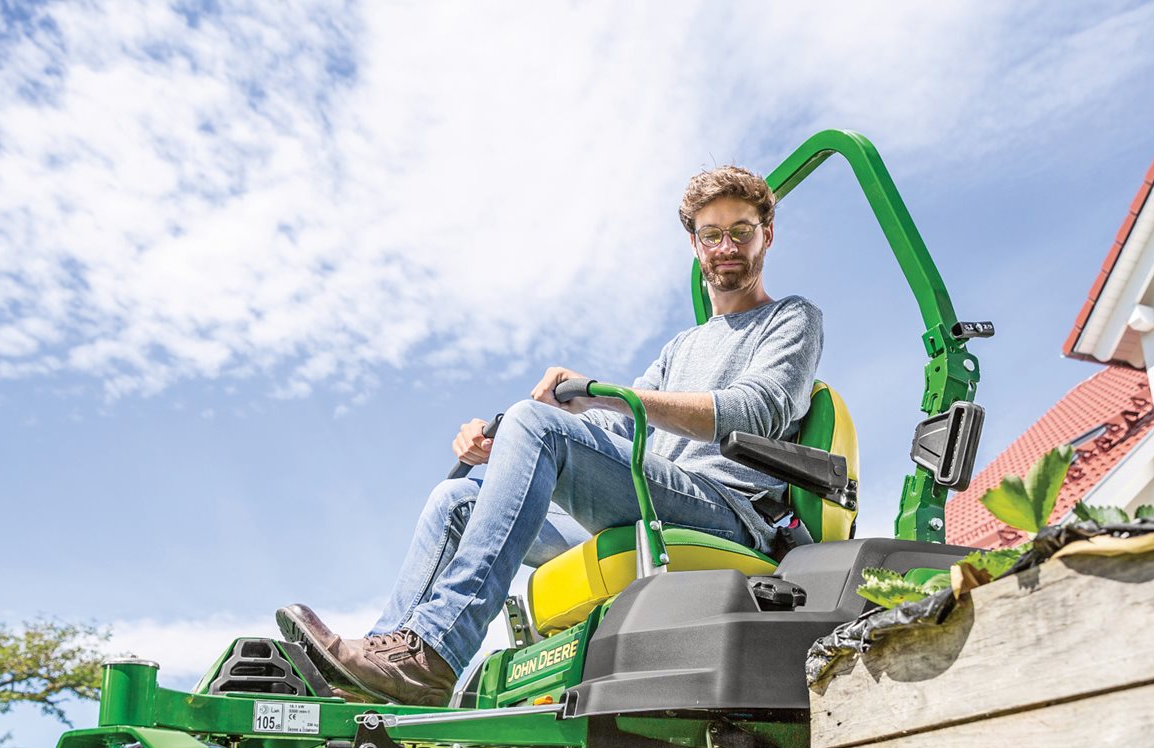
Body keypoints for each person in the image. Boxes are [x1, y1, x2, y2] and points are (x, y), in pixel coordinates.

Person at [278, 165, 824, 706]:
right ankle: (377, 673)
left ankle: (437, 650)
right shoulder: (680, 348)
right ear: (695, 245)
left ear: (766, 235)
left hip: (726, 511)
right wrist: (504, 446)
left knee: (535, 423)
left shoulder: (791, 319)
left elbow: (756, 410)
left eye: (741, 231)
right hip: (653, 501)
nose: (726, 246)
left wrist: (592, 397)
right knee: (458, 500)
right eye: (712, 234)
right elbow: (616, 425)